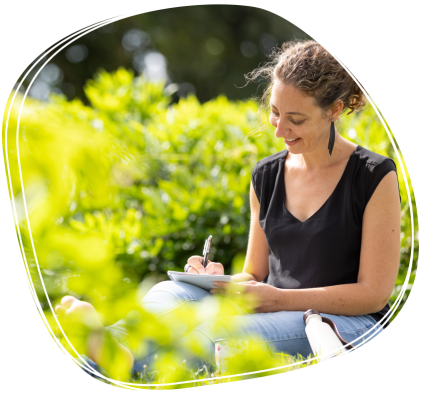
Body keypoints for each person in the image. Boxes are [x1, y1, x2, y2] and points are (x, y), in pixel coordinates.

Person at [55, 40, 401, 378]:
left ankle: (123, 364)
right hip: (273, 305)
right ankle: (110, 345)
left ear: (335, 110)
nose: (280, 129)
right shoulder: (266, 175)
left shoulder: (373, 176)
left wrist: (278, 299)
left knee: (218, 334)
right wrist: (219, 282)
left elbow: (373, 295)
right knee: (169, 294)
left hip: (335, 321)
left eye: (295, 118)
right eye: (275, 112)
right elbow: (255, 272)